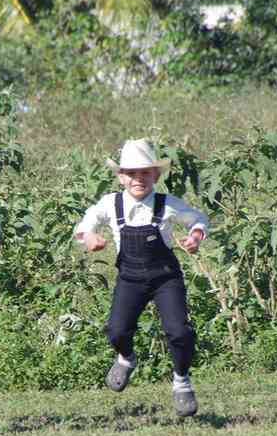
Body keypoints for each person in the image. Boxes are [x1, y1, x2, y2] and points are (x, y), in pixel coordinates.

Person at [74, 138, 209, 417]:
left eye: (145, 173)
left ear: (156, 175)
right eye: (131, 174)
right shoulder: (110, 204)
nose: (138, 179)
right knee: (116, 331)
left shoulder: (167, 203)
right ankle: (126, 358)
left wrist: (195, 236)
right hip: (130, 278)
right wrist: (88, 236)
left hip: (165, 278)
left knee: (179, 332)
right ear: (120, 177)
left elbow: (198, 218)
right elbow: (87, 221)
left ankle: (181, 380)